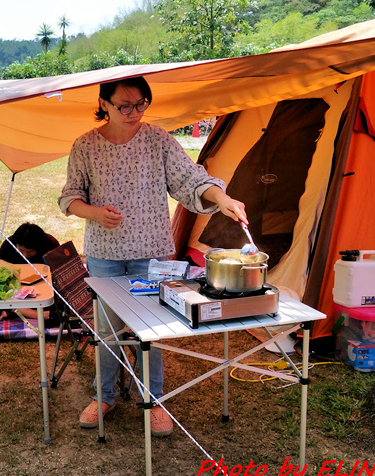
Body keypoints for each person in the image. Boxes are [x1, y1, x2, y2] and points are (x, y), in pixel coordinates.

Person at [58, 76, 247, 437]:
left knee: (152, 331)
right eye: (124, 105)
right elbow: (70, 197)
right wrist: (95, 213)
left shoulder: (158, 140)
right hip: (105, 255)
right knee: (107, 332)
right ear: (105, 104)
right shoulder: (85, 146)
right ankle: (105, 396)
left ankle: (154, 398)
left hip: (152, 256)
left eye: (141, 103)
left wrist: (222, 199)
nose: (134, 112)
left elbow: (190, 180)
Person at [0, 222, 60, 320]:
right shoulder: (9, 245)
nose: (24, 255)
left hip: (44, 286)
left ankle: (12, 310)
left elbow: (59, 271)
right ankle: (41, 315)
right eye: (20, 250)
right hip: (15, 287)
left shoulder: (50, 244)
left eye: (30, 252)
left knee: (53, 300)